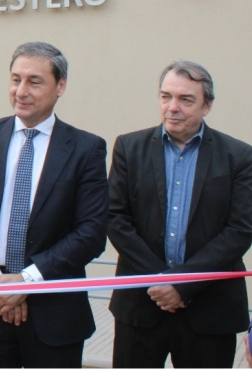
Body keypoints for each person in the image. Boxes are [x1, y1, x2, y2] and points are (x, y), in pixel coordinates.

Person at [0, 42, 108, 367]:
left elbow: (91, 232)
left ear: (60, 86)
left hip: (53, 312)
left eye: (34, 81)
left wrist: (27, 281)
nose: (21, 91)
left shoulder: (86, 149)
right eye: (15, 79)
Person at [107, 61, 252, 367]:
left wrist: (183, 284)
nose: (173, 107)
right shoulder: (129, 148)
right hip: (141, 305)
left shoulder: (238, 156)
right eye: (165, 97)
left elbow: (240, 231)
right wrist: (162, 281)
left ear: (207, 105)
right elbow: (115, 219)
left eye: (186, 100)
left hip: (210, 310)